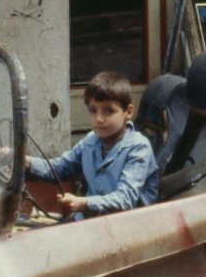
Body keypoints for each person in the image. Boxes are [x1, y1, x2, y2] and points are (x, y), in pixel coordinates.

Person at [25, 71, 158, 218]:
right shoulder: (91, 141)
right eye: (93, 111)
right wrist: (28, 163)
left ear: (128, 112)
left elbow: (124, 200)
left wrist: (82, 204)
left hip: (127, 227)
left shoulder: (139, 147)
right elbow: (59, 168)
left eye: (108, 111)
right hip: (90, 222)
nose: (98, 119)